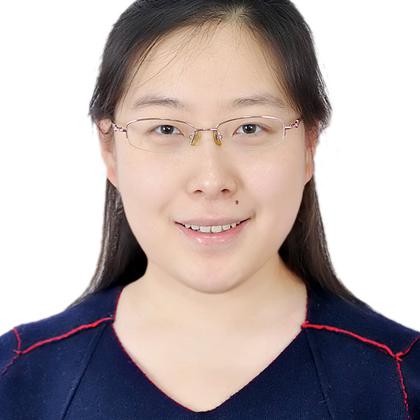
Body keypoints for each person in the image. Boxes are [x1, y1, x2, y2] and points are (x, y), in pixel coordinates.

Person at [0, 0, 419, 418]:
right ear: (109, 149)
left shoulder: (401, 384)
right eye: (166, 128)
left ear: (309, 144)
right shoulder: (18, 380)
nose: (211, 179)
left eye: (250, 127)